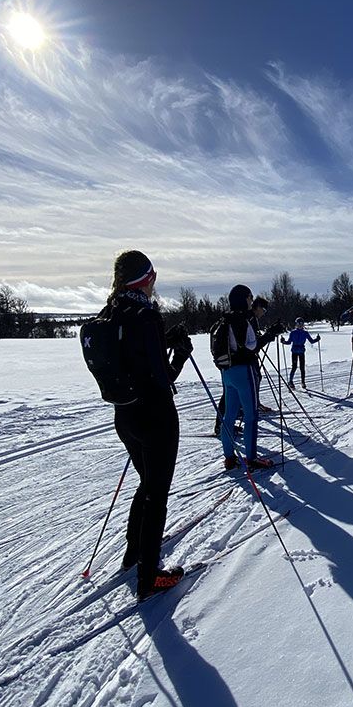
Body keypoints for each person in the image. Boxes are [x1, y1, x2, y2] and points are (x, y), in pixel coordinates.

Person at [105, 250, 193, 600]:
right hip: (156, 415)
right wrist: (181, 355)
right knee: (158, 493)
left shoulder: (111, 310)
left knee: (147, 483)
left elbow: (135, 356)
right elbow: (162, 377)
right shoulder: (146, 314)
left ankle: (134, 552)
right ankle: (149, 576)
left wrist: (166, 340)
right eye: (153, 276)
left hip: (124, 415)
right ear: (147, 279)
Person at [218, 285, 282, 471]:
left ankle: (229, 458)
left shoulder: (224, 320)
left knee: (229, 415)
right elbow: (252, 347)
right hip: (244, 371)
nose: (251, 301)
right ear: (244, 299)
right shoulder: (243, 321)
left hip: (226, 372)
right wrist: (270, 335)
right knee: (251, 415)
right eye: (249, 297)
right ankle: (252, 458)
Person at [281, 318, 321, 389]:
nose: (300, 325)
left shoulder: (305, 333)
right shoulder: (293, 333)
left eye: (301, 324)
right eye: (298, 324)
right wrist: (284, 342)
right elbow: (289, 342)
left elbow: (311, 341)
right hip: (294, 351)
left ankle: (303, 382)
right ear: (296, 324)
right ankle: (290, 381)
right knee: (294, 366)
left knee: (302, 367)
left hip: (301, 351)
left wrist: (317, 339)